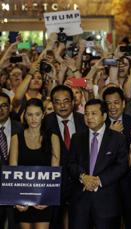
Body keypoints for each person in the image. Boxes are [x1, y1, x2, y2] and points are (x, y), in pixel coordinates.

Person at [68, 99, 128, 229]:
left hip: (107, 202)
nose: (89, 117)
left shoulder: (118, 138)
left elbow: (121, 166)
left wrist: (98, 180)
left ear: (104, 116)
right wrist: (83, 177)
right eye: (86, 113)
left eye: (93, 113)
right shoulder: (77, 138)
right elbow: (71, 163)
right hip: (80, 202)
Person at [9, 98, 61, 229]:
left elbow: (55, 170)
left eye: (37, 114)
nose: (33, 119)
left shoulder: (53, 137)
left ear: (43, 115)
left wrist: (48, 197)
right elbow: (13, 169)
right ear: (24, 115)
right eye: (30, 114)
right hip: (22, 198)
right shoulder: (16, 137)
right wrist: (16, 200)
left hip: (44, 198)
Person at [43, 85, 86, 229]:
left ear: (73, 102)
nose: (62, 105)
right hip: (54, 184)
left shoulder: (84, 120)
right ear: (52, 104)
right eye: (57, 102)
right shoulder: (45, 122)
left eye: (66, 101)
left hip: (80, 183)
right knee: (54, 223)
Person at [102, 86, 131, 229]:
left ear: (123, 103)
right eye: (108, 103)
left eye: (116, 102)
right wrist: (110, 136)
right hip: (109, 185)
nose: (112, 107)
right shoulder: (99, 126)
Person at [0, 92, 23, 229]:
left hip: (18, 190)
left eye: (4, 106)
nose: (0, 109)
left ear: (10, 108)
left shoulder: (21, 128)